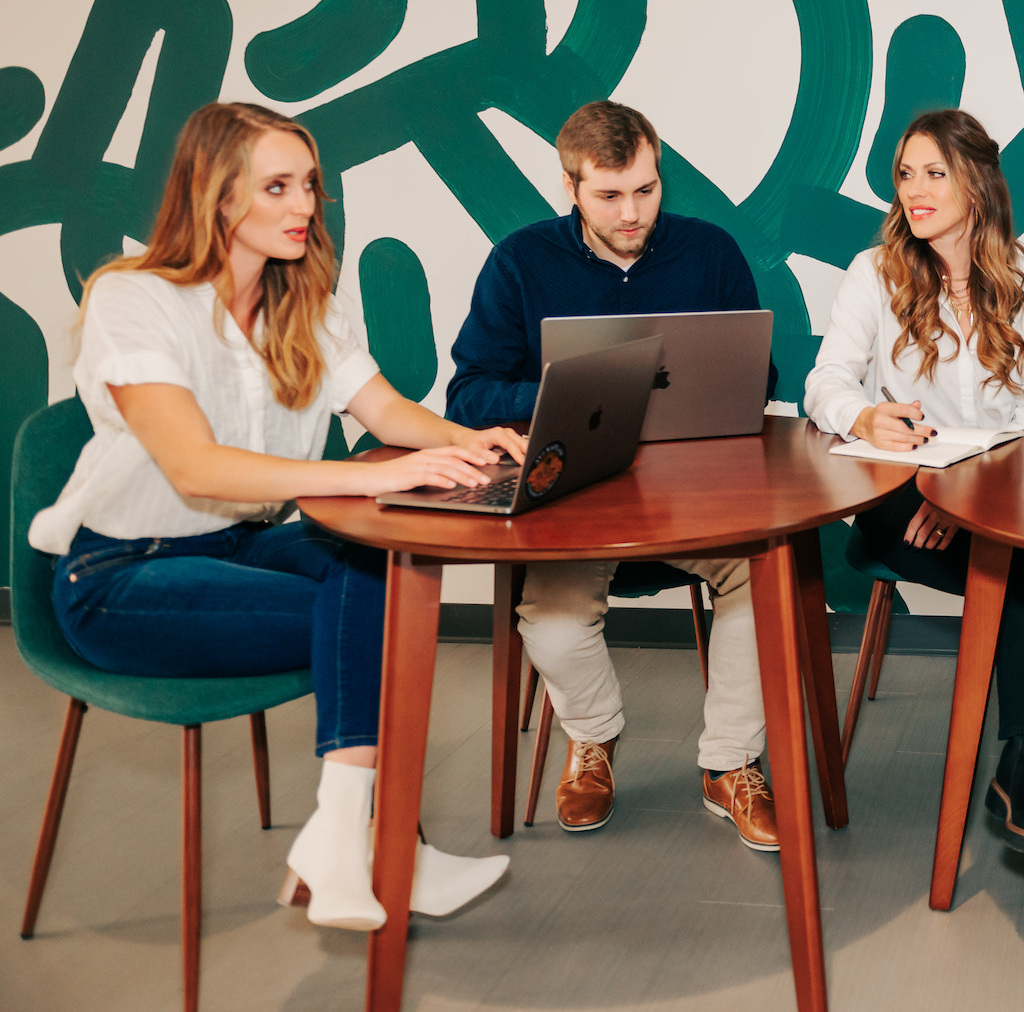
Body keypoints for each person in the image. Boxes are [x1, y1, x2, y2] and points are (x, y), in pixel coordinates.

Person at [29, 102, 517, 931]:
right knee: (368, 607)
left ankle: (347, 835)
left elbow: (389, 412)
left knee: (377, 567)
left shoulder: (307, 303)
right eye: (279, 187)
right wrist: (372, 477)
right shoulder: (134, 297)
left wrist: (477, 441)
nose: (305, 207)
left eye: (310, 187)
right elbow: (194, 464)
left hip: (238, 546)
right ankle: (373, 846)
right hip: (118, 576)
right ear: (218, 197)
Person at [446, 101, 781, 848]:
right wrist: (567, 396)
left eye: (646, 189)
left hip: (695, 496)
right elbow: (467, 392)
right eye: (609, 195)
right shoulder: (519, 261)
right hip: (576, 496)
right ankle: (594, 739)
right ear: (570, 186)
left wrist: (737, 378)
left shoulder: (711, 251)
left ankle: (730, 762)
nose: (632, 213)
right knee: (556, 626)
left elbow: (756, 372)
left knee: (766, 579)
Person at [803, 109, 1024, 870]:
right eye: (905, 173)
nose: (914, 190)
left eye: (933, 173)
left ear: (976, 184)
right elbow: (824, 384)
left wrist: (965, 493)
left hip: (986, 494)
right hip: (897, 498)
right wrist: (867, 415)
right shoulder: (872, 272)